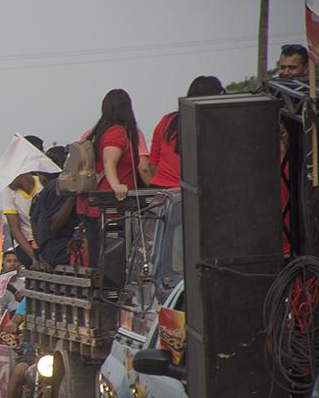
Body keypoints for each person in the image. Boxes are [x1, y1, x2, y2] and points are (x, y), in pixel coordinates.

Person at [77, 88, 141, 263]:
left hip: (96, 210)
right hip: (109, 209)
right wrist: (116, 186)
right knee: (112, 264)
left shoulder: (100, 132)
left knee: (102, 262)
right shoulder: (117, 132)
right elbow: (109, 161)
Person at [143, 76, 226, 188]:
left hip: (162, 190)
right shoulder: (215, 125)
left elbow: (153, 163)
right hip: (193, 192)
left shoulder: (166, 120)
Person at [1, 170, 44, 268]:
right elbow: (15, 229)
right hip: (25, 242)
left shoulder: (42, 184)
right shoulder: (8, 191)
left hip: (44, 237)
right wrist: (34, 258)